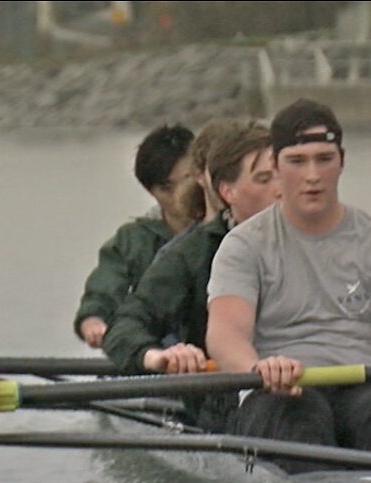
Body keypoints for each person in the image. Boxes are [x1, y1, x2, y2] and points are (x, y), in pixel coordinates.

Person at [205, 98, 371, 461]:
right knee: (302, 419)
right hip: (281, 390)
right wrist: (256, 368)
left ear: (342, 162)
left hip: (367, 387)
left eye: (324, 159)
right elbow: (225, 333)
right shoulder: (244, 245)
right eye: (298, 162)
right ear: (276, 166)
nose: (313, 175)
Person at [103, 120, 279, 431]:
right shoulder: (190, 254)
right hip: (227, 397)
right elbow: (124, 327)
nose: (281, 190)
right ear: (227, 191)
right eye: (265, 179)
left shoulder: (325, 237)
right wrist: (157, 356)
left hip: (312, 383)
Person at [72, 124, 194, 349]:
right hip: (158, 354)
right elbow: (104, 288)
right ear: (151, 191)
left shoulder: (229, 230)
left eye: (188, 180)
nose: (180, 195)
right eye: (167, 187)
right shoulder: (132, 240)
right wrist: (93, 320)